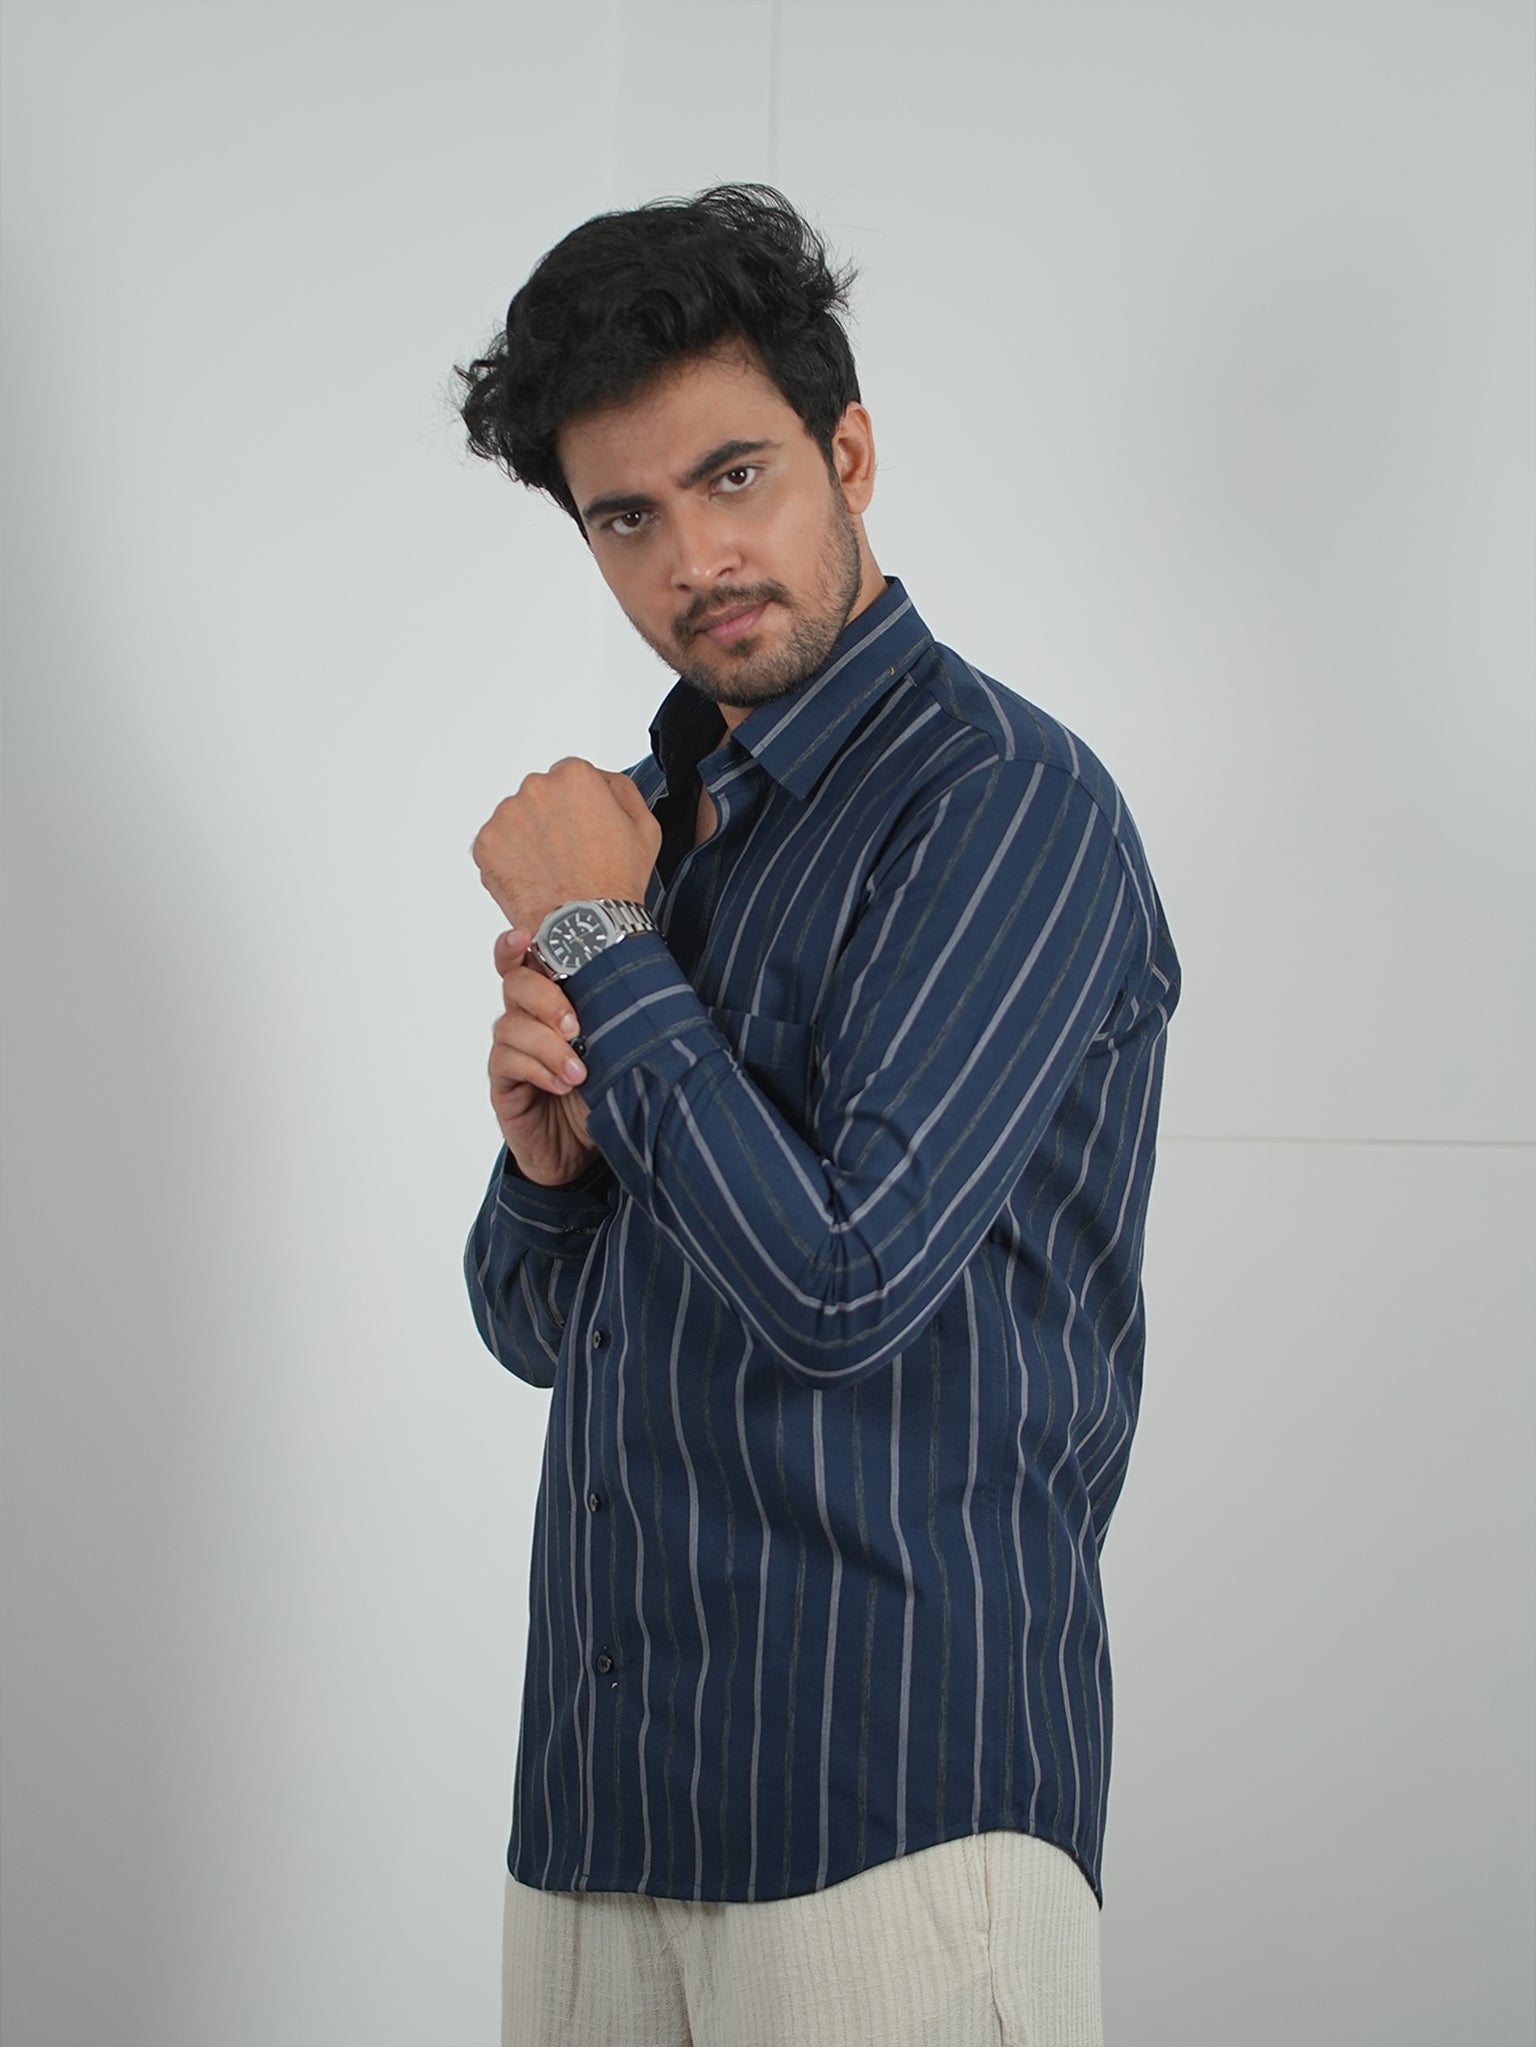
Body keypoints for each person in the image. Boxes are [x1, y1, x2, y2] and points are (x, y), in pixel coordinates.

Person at [458, 185, 1178, 2047]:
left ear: (846, 454)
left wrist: (601, 946)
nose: (694, 556)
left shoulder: (1005, 804)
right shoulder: (650, 835)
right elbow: (539, 1331)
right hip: (607, 1806)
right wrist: (549, 1178)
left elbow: (843, 1289)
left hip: (891, 1815)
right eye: (626, 516)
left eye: (735, 476)